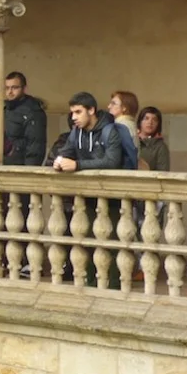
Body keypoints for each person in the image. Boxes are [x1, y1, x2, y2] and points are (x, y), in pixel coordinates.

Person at [54, 92, 122, 288]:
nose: (73, 117)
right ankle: (92, 282)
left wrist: (78, 165)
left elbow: (112, 161)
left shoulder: (110, 131)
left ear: (91, 110)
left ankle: (114, 284)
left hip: (113, 195)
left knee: (112, 240)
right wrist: (59, 161)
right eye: (72, 112)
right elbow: (66, 151)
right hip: (87, 195)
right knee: (89, 240)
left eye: (78, 112)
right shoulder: (77, 132)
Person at [3, 71, 48, 166]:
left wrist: (30, 170)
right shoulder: (5, 109)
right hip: (4, 164)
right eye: (7, 88)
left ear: (24, 88)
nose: (10, 92)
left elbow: (36, 146)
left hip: (21, 166)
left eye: (15, 88)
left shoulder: (33, 111)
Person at [108, 90, 141, 165]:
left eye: (113, 103)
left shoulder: (121, 126)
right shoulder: (130, 124)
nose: (109, 106)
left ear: (124, 108)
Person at [137, 106, 170, 172]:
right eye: (146, 118)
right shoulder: (132, 140)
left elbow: (163, 172)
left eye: (154, 120)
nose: (150, 122)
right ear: (140, 122)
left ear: (158, 124)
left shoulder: (160, 147)